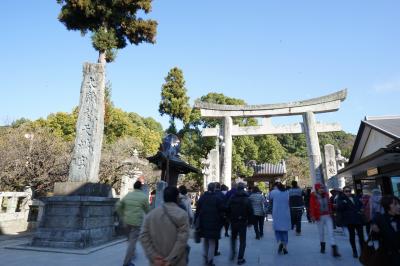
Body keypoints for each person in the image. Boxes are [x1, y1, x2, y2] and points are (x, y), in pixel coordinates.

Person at [140, 186, 190, 266]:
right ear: (177, 198)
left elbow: (143, 236)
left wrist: (154, 256)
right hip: (177, 262)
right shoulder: (182, 215)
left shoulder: (151, 215)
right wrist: (170, 259)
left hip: (157, 262)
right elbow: (182, 240)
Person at [116, 181, 150, 266]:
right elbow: (148, 210)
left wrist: (122, 215)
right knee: (132, 242)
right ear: (141, 188)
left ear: (134, 187)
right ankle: (127, 263)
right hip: (136, 223)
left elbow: (118, 205)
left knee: (130, 240)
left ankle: (133, 253)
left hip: (126, 221)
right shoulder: (143, 197)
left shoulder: (128, 195)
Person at [195, 182, 224, 266]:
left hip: (203, 222)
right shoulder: (217, 198)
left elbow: (197, 210)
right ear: (214, 189)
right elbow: (222, 210)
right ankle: (210, 260)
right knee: (212, 242)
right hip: (214, 223)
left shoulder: (202, 197)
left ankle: (205, 258)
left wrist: (195, 222)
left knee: (205, 240)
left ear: (208, 188)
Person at [310, 183, 341, 257]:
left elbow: (329, 204)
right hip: (319, 217)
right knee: (321, 233)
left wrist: (332, 210)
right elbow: (312, 206)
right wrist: (313, 216)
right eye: (320, 188)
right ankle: (322, 246)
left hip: (327, 216)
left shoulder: (326, 195)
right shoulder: (313, 196)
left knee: (331, 232)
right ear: (317, 189)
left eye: (322, 188)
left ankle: (334, 249)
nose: (321, 189)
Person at [226, 182, 253, 265]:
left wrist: (228, 218)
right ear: (243, 188)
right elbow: (250, 211)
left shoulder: (232, 198)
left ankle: (233, 253)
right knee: (242, 240)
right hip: (243, 221)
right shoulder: (247, 198)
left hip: (233, 221)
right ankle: (240, 258)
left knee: (233, 238)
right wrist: (250, 222)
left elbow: (227, 209)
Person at [336, 185, 365, 258]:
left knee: (361, 237)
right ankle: (354, 251)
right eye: (346, 191)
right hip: (349, 220)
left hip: (358, 219)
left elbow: (361, 204)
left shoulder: (355, 197)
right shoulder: (341, 198)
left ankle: (363, 251)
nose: (348, 193)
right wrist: (344, 202)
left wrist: (361, 209)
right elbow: (339, 208)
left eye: (349, 191)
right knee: (352, 237)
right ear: (343, 192)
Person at [371, 195, 400, 266]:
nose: (399, 206)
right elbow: (375, 238)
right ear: (387, 206)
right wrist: (375, 231)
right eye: (395, 204)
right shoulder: (380, 220)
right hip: (390, 257)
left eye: (399, 203)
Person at [269, 182, 291, 255]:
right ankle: (285, 246)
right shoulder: (287, 192)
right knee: (285, 231)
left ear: (275, 186)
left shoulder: (274, 192)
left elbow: (270, 197)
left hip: (277, 213)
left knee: (278, 230)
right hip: (286, 213)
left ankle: (281, 242)